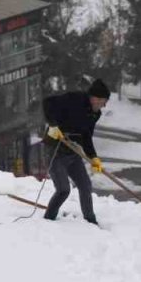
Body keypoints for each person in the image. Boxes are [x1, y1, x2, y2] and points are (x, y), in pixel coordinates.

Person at [42, 78, 109, 224]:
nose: (104, 105)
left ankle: (90, 221)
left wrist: (93, 158)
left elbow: (86, 137)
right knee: (63, 190)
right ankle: (48, 220)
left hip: (72, 152)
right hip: (54, 149)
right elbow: (47, 103)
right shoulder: (74, 99)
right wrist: (52, 125)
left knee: (85, 186)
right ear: (94, 98)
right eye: (103, 101)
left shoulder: (95, 114)